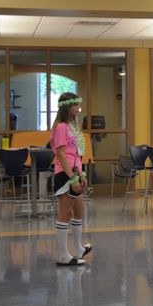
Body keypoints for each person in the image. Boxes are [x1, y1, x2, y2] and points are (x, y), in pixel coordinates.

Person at [50, 93, 93, 267]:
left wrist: (81, 175)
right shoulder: (61, 127)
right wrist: (72, 177)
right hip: (65, 174)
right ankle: (62, 255)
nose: (78, 108)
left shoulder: (71, 127)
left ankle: (78, 248)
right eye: (75, 105)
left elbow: (77, 155)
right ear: (67, 107)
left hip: (75, 173)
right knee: (65, 214)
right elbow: (61, 154)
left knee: (79, 211)